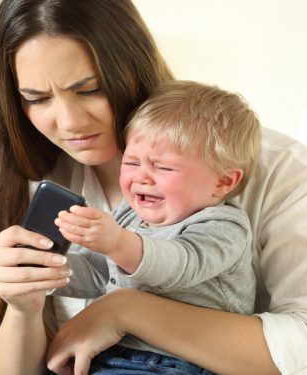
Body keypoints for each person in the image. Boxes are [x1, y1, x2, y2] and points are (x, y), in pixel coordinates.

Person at [0, 1, 307, 375]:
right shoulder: (38, 176)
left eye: (89, 90)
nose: (68, 123)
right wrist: (23, 304)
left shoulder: (277, 168)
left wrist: (126, 309)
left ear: (132, 65)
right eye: (38, 98)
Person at [49, 80, 260, 374]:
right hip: (113, 353)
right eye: (132, 163)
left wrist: (117, 242)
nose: (141, 178)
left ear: (222, 182)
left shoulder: (223, 225)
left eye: (162, 167)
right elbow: (100, 272)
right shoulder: (129, 216)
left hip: (183, 361)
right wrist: (50, 271)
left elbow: (178, 266)